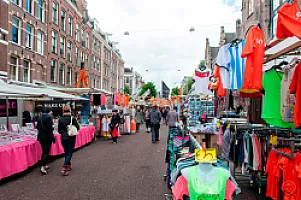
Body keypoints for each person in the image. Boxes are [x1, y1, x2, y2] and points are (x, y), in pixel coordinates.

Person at [58, 105, 80, 176]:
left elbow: (59, 130)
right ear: (70, 110)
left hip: (63, 138)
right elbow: (78, 127)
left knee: (66, 152)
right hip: (71, 137)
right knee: (69, 152)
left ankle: (68, 165)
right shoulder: (72, 118)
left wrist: (63, 133)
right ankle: (64, 167)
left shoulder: (60, 119)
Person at [37, 107, 55, 175]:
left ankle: (44, 165)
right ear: (49, 111)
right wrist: (52, 128)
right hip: (47, 137)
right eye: (51, 111)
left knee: (44, 151)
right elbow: (50, 128)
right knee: (46, 152)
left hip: (40, 137)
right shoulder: (48, 117)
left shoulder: (39, 118)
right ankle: (42, 167)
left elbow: (37, 127)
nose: (52, 112)